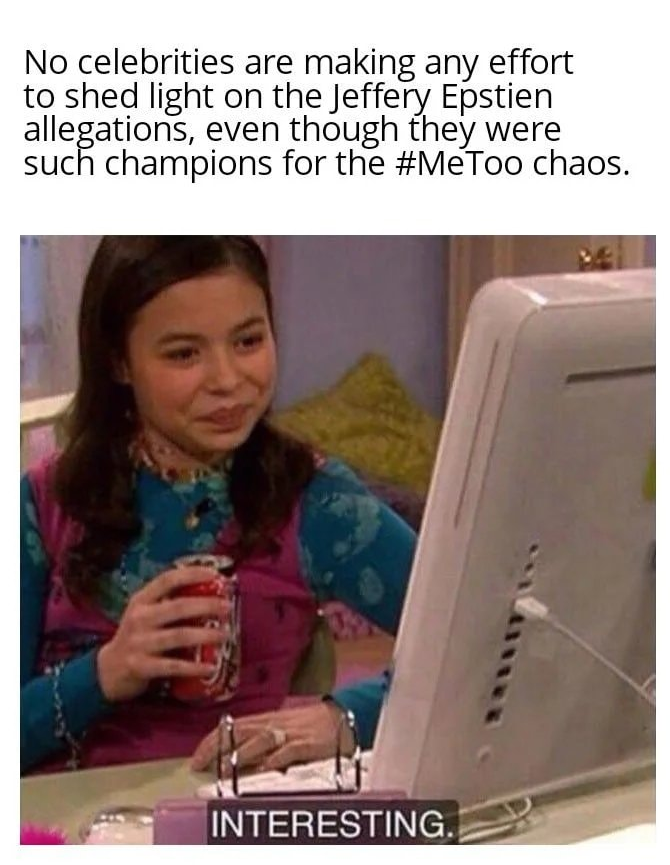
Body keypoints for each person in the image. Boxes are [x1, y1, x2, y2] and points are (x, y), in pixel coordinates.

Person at [20, 236, 416, 775]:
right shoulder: (45, 502)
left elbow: (489, 650)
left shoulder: (315, 501)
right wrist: (105, 672)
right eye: (184, 354)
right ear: (118, 361)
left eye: (248, 341)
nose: (228, 381)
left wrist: (345, 716)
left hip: (223, 810)